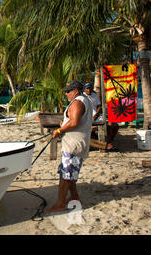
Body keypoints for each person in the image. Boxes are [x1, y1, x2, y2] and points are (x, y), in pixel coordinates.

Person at [46, 80, 93, 213]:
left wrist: (59, 131)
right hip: (75, 143)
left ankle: (60, 203)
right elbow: (72, 121)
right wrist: (64, 124)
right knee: (69, 172)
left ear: (76, 91)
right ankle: (75, 197)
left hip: (74, 144)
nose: (66, 94)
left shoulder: (78, 102)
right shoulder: (83, 100)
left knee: (66, 174)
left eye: (68, 91)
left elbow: (74, 122)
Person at [83, 82, 119, 152]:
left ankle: (108, 141)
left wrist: (96, 113)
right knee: (99, 126)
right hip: (88, 118)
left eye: (90, 88)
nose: (88, 90)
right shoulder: (83, 97)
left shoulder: (94, 95)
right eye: (87, 89)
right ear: (84, 89)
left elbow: (99, 105)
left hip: (97, 116)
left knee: (113, 124)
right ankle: (106, 144)